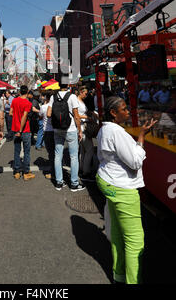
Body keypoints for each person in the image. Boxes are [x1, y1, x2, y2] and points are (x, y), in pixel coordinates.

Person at [96, 96, 157, 284]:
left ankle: (119, 274)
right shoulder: (116, 132)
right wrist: (141, 137)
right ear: (113, 113)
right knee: (134, 241)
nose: (127, 111)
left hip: (108, 181)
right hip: (121, 187)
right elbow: (135, 162)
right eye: (123, 109)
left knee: (116, 233)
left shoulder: (105, 129)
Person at [47, 83, 85, 192]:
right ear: (67, 85)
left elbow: (49, 114)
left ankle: (59, 182)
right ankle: (74, 183)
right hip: (70, 128)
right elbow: (76, 115)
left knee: (58, 155)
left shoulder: (53, 97)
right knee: (73, 156)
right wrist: (80, 130)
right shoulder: (72, 96)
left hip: (57, 129)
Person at [9, 85, 35, 180]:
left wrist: (16, 116)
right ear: (27, 92)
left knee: (17, 150)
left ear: (20, 91)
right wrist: (21, 129)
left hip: (15, 128)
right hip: (24, 130)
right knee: (26, 151)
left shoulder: (15, 100)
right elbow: (24, 117)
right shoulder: (27, 103)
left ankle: (16, 171)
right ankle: (26, 172)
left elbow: (10, 113)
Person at [77, 86, 95, 182]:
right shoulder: (77, 101)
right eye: (85, 93)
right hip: (82, 127)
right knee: (90, 150)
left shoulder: (81, 101)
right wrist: (87, 117)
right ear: (81, 92)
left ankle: (83, 169)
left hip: (83, 126)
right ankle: (86, 172)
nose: (86, 95)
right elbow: (76, 115)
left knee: (83, 150)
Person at [39, 90, 55, 179]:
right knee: (57, 152)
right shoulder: (56, 105)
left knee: (51, 153)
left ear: (46, 98)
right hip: (57, 131)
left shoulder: (44, 107)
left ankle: (53, 172)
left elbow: (40, 116)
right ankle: (58, 171)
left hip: (48, 131)